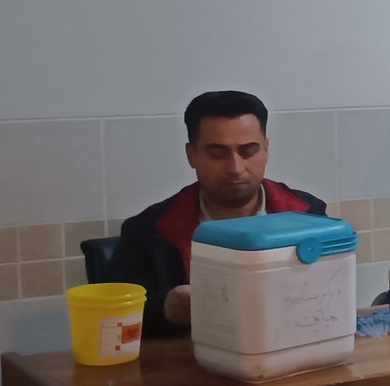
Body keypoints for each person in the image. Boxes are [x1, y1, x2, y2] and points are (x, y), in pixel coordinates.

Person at [106, 91, 326, 338]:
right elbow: (112, 322)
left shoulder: (310, 216)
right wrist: (163, 308)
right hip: (190, 358)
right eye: (217, 153)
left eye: (248, 151)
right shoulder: (147, 231)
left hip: (292, 350)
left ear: (266, 149)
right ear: (191, 155)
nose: (235, 168)